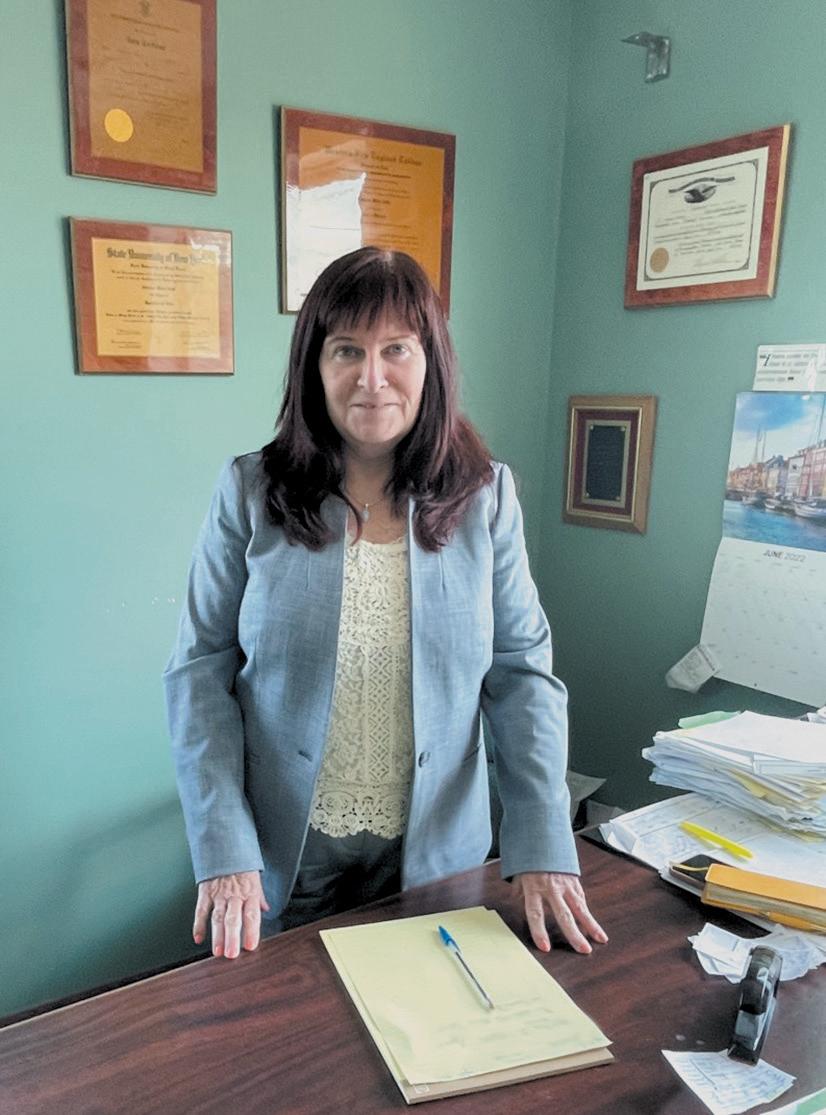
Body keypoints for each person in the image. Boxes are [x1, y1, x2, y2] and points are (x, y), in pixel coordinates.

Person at [163, 246, 607, 961]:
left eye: (396, 348)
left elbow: (521, 674)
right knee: (290, 1027)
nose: (372, 378)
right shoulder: (251, 490)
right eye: (347, 350)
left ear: (431, 362)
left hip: (434, 854)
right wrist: (224, 848)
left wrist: (543, 841)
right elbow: (199, 672)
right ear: (314, 366)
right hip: (281, 857)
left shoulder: (484, 496)